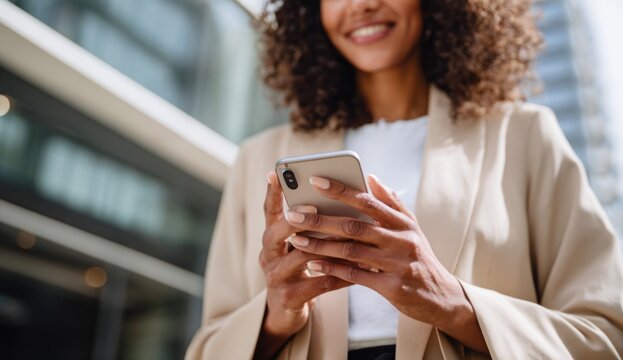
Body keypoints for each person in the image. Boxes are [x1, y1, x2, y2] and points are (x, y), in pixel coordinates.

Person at [186, 0, 623, 358]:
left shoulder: (525, 136)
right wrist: (274, 316)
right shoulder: (258, 159)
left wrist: (455, 304)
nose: (363, 5)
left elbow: (606, 337)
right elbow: (207, 348)